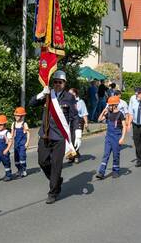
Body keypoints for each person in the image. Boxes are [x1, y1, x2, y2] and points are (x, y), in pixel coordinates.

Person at [29, 71, 80, 204]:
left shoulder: (69, 97)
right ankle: (56, 180)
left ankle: (53, 192)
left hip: (59, 136)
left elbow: (74, 117)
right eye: (55, 82)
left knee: (57, 165)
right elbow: (31, 104)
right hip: (45, 134)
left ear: (64, 83)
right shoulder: (48, 94)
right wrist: (41, 94)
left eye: (60, 82)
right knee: (43, 161)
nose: (57, 84)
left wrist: (78, 132)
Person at [96, 96, 126, 179]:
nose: (108, 107)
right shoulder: (108, 113)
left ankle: (115, 171)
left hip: (117, 137)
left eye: (109, 105)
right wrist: (103, 112)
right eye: (108, 105)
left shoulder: (120, 114)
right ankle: (101, 172)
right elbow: (99, 120)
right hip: (108, 137)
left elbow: (124, 126)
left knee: (116, 155)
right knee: (106, 154)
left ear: (115, 105)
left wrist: (122, 138)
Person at [69, 88, 89, 164]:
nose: (69, 95)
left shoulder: (81, 102)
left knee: (76, 138)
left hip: (79, 121)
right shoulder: (68, 102)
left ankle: (76, 156)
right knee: (70, 138)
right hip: (70, 121)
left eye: (71, 93)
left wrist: (86, 123)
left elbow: (84, 113)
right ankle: (72, 155)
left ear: (75, 93)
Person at [11, 107, 30, 177]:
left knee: (22, 156)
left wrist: (27, 142)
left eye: (18, 115)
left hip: (22, 144)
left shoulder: (24, 124)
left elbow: (28, 133)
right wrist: (8, 140)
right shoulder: (14, 124)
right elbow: (12, 134)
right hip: (16, 144)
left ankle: (24, 170)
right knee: (16, 158)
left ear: (22, 116)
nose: (16, 117)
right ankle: (19, 169)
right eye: (15, 115)